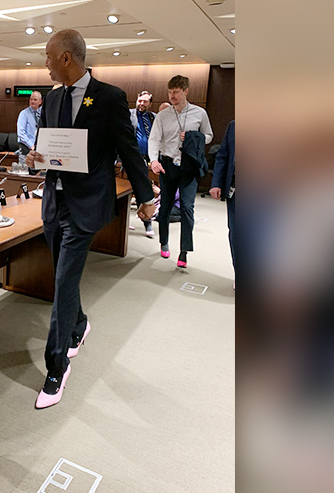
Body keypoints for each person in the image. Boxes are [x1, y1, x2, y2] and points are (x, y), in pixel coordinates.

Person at [26, 29, 155, 409]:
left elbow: (129, 151)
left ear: (67, 57)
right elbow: (46, 147)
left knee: (63, 282)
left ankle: (56, 365)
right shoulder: (50, 99)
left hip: (84, 207)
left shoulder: (110, 98)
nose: (45, 63)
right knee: (62, 277)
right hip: (54, 202)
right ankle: (79, 325)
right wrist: (36, 158)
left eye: (49, 56)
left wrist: (145, 197)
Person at [149, 75, 213, 269]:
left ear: (186, 91)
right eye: (170, 92)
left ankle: (184, 251)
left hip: (189, 166)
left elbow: (209, 135)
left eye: (176, 91)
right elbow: (154, 139)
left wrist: (195, 137)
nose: (172, 95)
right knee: (166, 206)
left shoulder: (199, 113)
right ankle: (164, 242)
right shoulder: (163, 115)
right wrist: (153, 160)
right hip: (167, 164)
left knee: (187, 208)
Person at [210, 120, 235, 285]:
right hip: (236, 188)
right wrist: (216, 183)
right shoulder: (234, 126)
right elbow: (223, 156)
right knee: (236, 232)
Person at [130, 90, 157, 236]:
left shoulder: (154, 118)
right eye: (140, 100)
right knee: (128, 189)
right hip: (132, 157)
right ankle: (125, 222)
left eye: (145, 101)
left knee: (147, 189)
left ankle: (147, 221)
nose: (141, 103)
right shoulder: (129, 115)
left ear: (150, 104)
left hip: (150, 157)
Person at [16, 91, 43, 155]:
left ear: (40, 101)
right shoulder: (24, 114)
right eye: (31, 99)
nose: (32, 101)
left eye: (35, 99)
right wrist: (31, 145)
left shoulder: (43, 113)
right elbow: (21, 133)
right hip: (26, 147)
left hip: (39, 148)